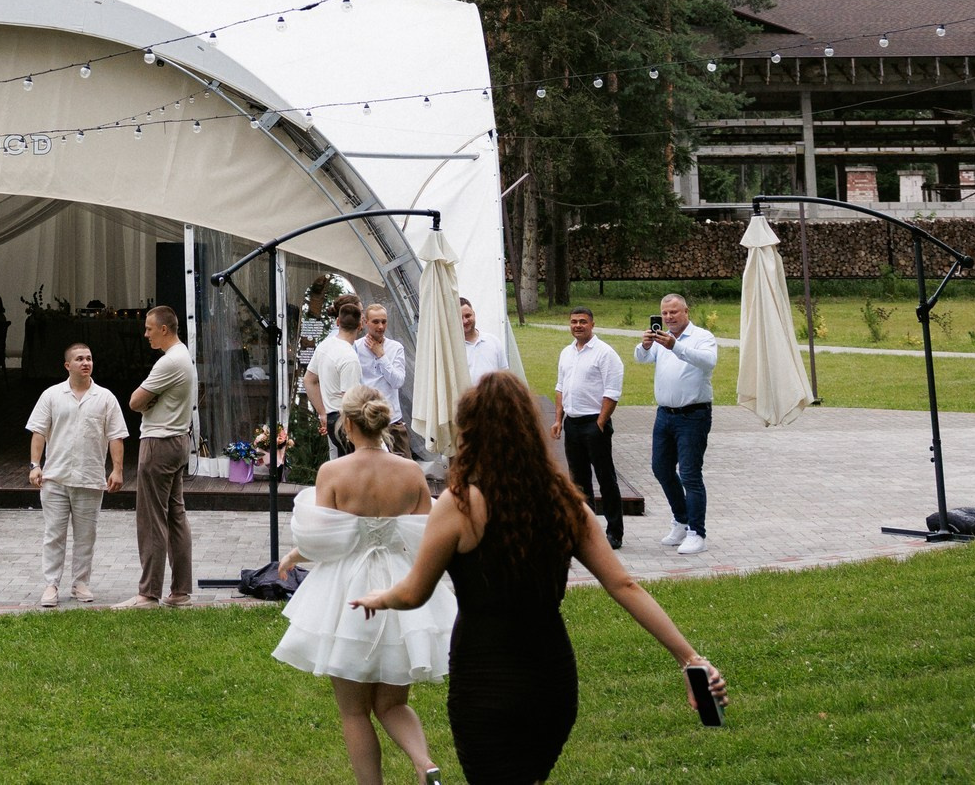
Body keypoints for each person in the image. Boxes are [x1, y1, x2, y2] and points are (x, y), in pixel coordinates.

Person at [353, 373, 726, 783]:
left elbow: (414, 593)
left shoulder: (459, 507)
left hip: (485, 680)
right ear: (529, 429)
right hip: (550, 681)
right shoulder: (567, 504)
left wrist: (378, 597)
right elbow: (625, 586)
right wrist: (690, 658)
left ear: (469, 431)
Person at [273, 386, 454, 785]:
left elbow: (324, 539)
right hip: (401, 588)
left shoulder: (333, 473)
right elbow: (428, 534)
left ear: (348, 424)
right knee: (392, 703)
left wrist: (295, 555)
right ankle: (425, 765)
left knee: (354, 711)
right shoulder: (410, 472)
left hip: (348, 592)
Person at [25, 342, 126, 605]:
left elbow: (116, 436)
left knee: (86, 536)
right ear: (67, 365)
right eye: (80, 359)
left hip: (90, 478)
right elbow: (39, 431)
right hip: (55, 478)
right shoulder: (51, 395)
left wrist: (116, 470)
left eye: (89, 358)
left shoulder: (105, 398)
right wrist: (35, 464)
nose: (86, 363)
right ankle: (51, 584)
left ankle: (81, 583)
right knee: (54, 534)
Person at [120, 303, 196, 608]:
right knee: (176, 515)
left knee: (152, 518)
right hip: (178, 440)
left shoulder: (169, 362)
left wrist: (149, 403)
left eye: (149, 329)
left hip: (159, 443)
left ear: (164, 329)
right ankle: (180, 592)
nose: (146, 334)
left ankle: (148, 594)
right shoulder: (184, 355)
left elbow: (135, 401)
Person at [634, 293, 720, 556]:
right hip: (665, 414)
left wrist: (675, 346)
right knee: (660, 467)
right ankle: (681, 520)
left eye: (674, 312)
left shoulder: (702, 337)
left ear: (686, 311)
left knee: (690, 473)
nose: (669, 318)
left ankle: (697, 532)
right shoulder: (662, 338)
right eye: (665, 313)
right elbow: (641, 359)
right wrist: (646, 345)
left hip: (693, 414)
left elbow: (708, 361)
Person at [550, 308, 625, 550]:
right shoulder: (566, 353)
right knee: (579, 481)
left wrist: (601, 423)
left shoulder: (605, 354)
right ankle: (585, 530)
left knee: (605, 478)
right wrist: (558, 419)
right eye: (574, 322)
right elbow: (560, 387)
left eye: (583, 322)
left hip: (595, 424)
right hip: (572, 423)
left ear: (593, 324)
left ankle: (614, 532)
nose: (578, 326)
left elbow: (612, 392)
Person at [305, 296, 365, 452]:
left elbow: (308, 380)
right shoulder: (349, 358)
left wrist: (323, 413)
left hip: (332, 418)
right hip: (346, 422)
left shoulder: (325, 346)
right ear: (360, 325)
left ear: (338, 322)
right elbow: (349, 401)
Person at [357, 302, 409, 413]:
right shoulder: (356, 347)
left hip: (392, 417)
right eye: (375, 322)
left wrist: (381, 355)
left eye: (384, 322)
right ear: (366, 322)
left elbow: (398, 382)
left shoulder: (396, 347)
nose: (380, 326)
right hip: (365, 416)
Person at [459, 298, 507, 384]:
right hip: (465, 397)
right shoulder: (452, 348)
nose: (465, 321)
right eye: (460, 318)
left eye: (468, 316)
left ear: (474, 314)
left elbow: (504, 375)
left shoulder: (493, 341)